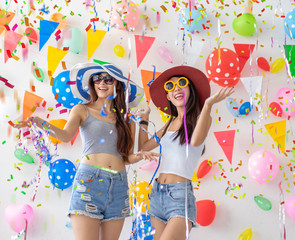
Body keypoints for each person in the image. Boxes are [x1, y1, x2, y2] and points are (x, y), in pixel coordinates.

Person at [14, 62, 161, 240]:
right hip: (90, 181)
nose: (102, 83)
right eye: (97, 79)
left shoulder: (125, 119)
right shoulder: (82, 109)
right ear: (92, 84)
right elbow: (66, 135)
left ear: (118, 86)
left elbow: (127, 157)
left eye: (108, 79)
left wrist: (138, 156)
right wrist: (39, 122)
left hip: (119, 184)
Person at [136, 65, 234, 239]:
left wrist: (209, 104)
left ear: (190, 89)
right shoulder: (168, 125)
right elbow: (143, 147)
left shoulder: (200, 118)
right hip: (157, 194)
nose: (176, 89)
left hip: (180, 197)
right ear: (168, 96)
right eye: (170, 87)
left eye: (182, 83)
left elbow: (195, 141)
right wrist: (144, 121)